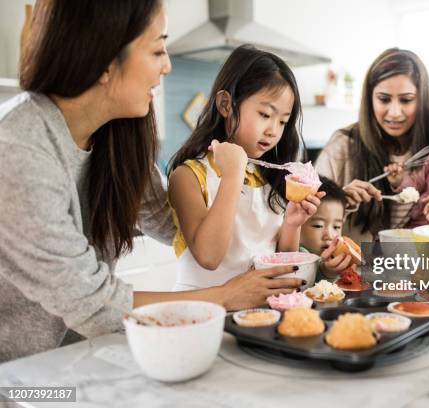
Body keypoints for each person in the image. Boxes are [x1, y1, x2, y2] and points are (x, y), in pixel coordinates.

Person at [0, 0, 300, 362]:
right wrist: (226, 295)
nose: (167, 66)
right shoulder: (18, 147)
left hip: (75, 361)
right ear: (105, 60)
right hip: (15, 377)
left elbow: (174, 225)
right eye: (158, 49)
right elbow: (93, 305)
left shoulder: (118, 141)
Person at [168, 45, 323, 290]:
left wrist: (293, 224)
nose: (273, 130)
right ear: (225, 104)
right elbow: (209, 257)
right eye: (264, 114)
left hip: (260, 312)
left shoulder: (269, 176)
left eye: (282, 121)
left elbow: (280, 260)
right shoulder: (187, 176)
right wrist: (232, 176)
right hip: (206, 314)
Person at [315, 48, 429, 243]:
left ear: (422, 99)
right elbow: (307, 222)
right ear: (369, 99)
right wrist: (340, 202)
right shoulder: (343, 146)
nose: (394, 112)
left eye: (406, 100)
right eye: (384, 99)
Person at [299, 176, 352, 280]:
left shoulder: (336, 256)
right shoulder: (298, 254)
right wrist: (326, 273)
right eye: (318, 225)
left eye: (336, 226)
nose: (330, 235)